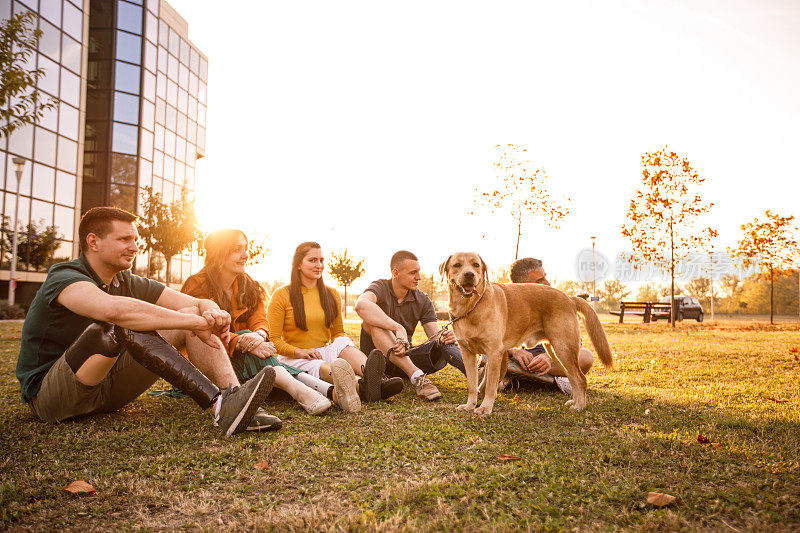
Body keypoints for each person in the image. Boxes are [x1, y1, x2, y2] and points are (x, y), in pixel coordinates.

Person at [15, 207, 278, 436]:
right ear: (93, 242)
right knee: (118, 325)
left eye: (135, 239)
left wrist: (211, 311)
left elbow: (194, 302)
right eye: (124, 239)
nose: (134, 246)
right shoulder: (64, 276)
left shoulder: (127, 280)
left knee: (190, 313)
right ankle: (217, 403)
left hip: (108, 391)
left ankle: (235, 401)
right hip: (54, 399)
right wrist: (192, 322)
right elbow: (114, 311)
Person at [181, 230, 361, 414]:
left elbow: (259, 320)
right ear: (219, 253)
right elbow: (201, 329)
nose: (245, 255)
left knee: (263, 359)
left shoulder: (248, 285)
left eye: (246, 248)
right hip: (209, 362)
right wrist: (242, 341)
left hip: (248, 358)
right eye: (237, 249)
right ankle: (307, 393)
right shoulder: (197, 285)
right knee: (256, 350)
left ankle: (334, 392)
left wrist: (257, 336)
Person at [267, 242, 402, 403]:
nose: (319, 265)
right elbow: (274, 340)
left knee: (342, 340)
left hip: (322, 350)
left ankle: (376, 379)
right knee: (318, 365)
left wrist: (335, 348)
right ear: (298, 265)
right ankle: (362, 387)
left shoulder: (332, 294)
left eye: (321, 260)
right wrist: (299, 352)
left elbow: (337, 333)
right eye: (312, 260)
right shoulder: (281, 295)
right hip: (295, 357)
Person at [355, 250, 466, 401]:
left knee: (445, 340)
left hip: (405, 357)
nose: (418, 277)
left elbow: (435, 337)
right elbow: (361, 305)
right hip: (377, 362)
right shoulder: (380, 287)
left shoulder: (422, 299)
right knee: (372, 323)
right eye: (413, 273)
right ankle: (418, 377)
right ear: (395, 273)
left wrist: (449, 337)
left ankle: (477, 374)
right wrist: (398, 328)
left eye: (418, 272)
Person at [501, 257, 595, 394]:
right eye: (540, 280)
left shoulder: (556, 303)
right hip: (517, 360)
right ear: (521, 285)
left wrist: (549, 358)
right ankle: (548, 381)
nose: (548, 283)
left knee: (586, 356)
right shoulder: (504, 305)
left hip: (551, 363)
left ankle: (518, 377)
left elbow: (575, 345)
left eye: (545, 277)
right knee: (493, 355)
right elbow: (492, 340)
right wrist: (514, 351)